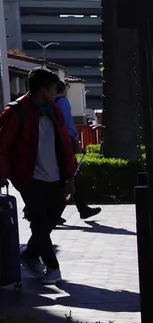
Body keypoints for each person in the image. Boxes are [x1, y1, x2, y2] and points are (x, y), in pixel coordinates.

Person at [0, 69, 78, 285]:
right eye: (53, 89)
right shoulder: (15, 112)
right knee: (40, 221)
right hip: (29, 178)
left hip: (55, 177)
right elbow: (2, 146)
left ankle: (30, 254)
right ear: (43, 89)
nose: (55, 94)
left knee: (51, 219)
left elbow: (64, 146)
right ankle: (53, 267)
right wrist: (2, 174)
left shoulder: (54, 112)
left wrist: (69, 178)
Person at [55, 81, 100, 221]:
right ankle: (60, 212)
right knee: (70, 176)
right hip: (64, 145)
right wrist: (75, 141)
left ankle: (81, 209)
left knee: (67, 178)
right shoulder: (61, 101)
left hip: (52, 146)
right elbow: (68, 124)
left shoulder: (46, 103)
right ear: (63, 90)